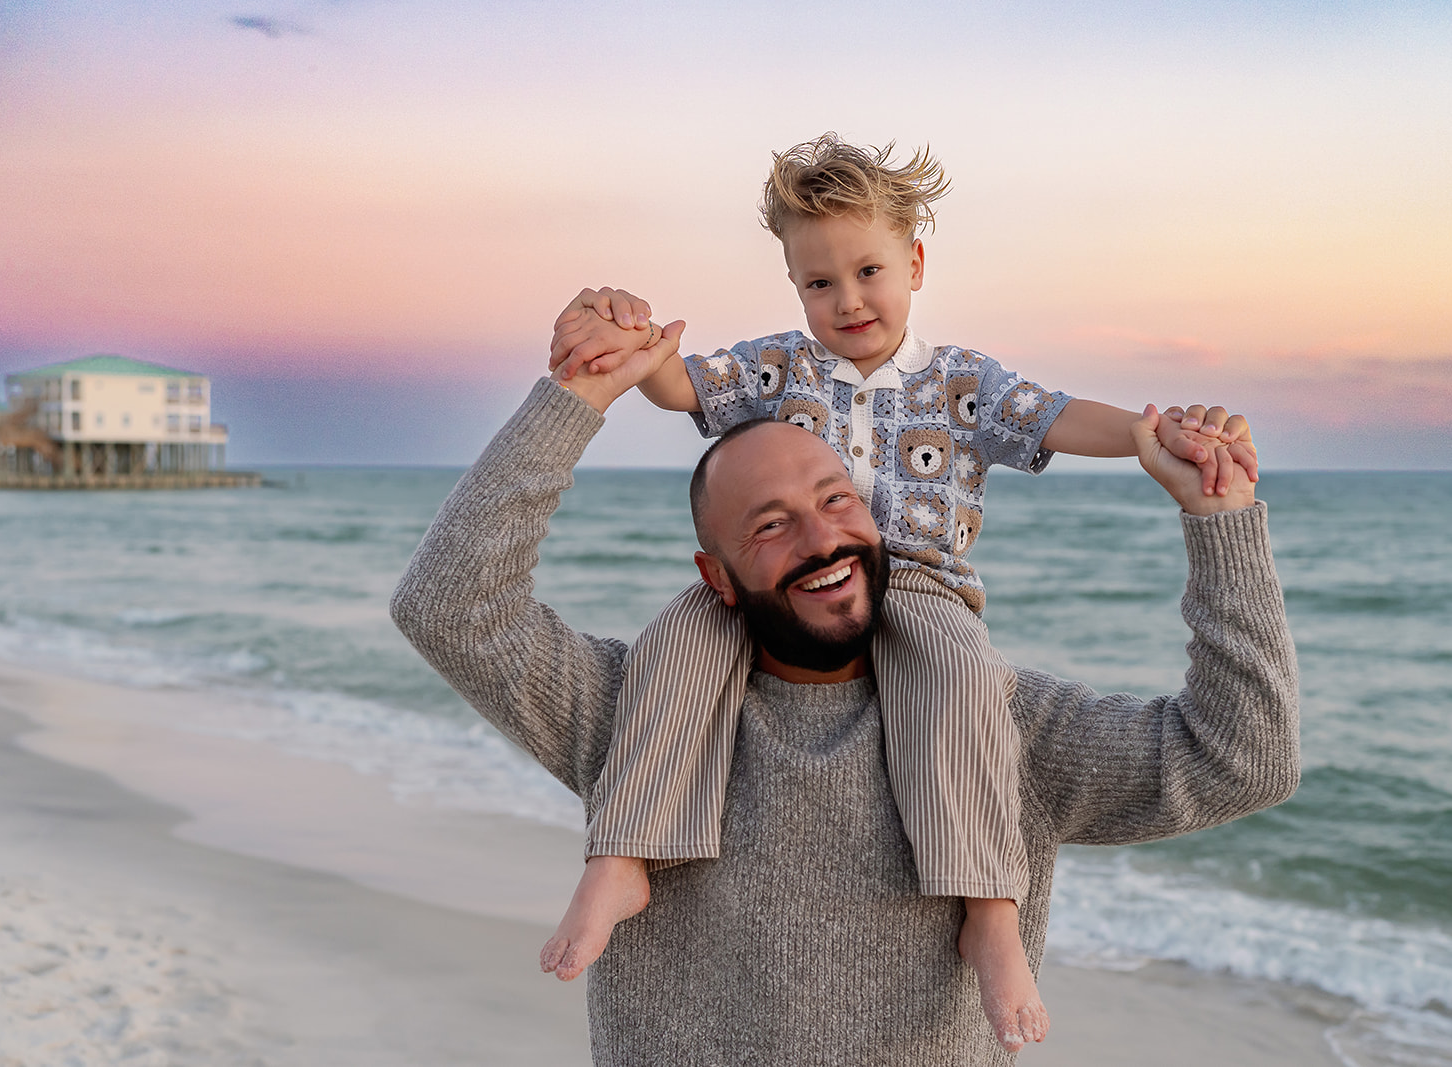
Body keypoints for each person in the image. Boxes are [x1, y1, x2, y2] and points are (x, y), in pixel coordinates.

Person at [389, 328, 1300, 1066]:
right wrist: (577, 394)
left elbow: (1243, 759)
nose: (823, 540)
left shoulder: (995, 723)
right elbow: (448, 606)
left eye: (837, 500)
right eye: (772, 525)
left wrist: (1217, 519)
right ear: (717, 575)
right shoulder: (640, 717)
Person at [538, 133, 1258, 1049]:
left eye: (868, 270)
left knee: (965, 688)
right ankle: (625, 853)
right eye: (819, 282)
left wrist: (1156, 437)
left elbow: (1059, 416)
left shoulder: (963, 384)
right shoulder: (776, 370)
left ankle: (991, 907)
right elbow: (682, 386)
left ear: (914, 263)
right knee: (669, 654)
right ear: (795, 287)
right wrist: (631, 344)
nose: (847, 300)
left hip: (921, 589)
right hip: (789, 592)